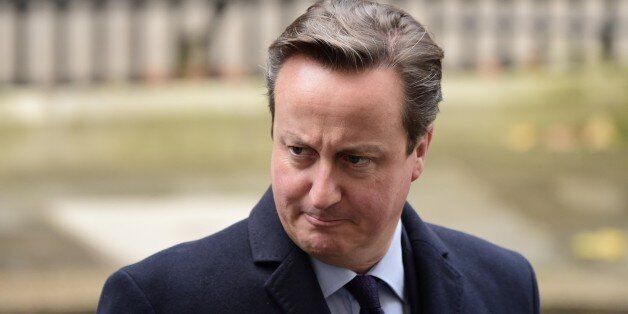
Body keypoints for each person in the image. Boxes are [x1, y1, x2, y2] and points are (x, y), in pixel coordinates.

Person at [97, 0, 540, 313]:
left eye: (355, 160)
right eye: (299, 151)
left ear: (419, 150)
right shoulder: (161, 301)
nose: (321, 194)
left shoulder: (506, 285)